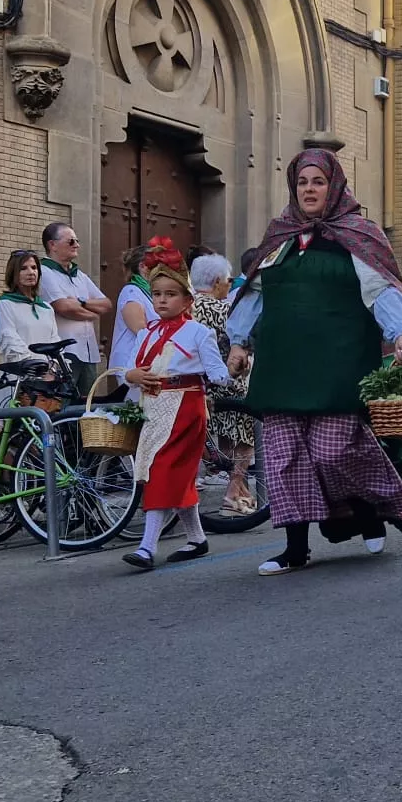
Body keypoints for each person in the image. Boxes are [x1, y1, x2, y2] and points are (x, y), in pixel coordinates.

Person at [226, 148, 402, 575]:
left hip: (338, 363)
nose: (309, 190)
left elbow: (382, 290)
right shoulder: (279, 236)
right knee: (284, 458)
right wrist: (238, 343)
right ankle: (296, 549)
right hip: (282, 364)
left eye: (318, 182)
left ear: (334, 186)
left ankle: (368, 509)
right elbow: (254, 293)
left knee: (332, 452)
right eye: (302, 183)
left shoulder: (358, 233)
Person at [121, 243, 233, 570]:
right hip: (153, 409)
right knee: (174, 475)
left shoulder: (198, 332)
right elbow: (126, 371)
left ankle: (147, 546)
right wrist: (133, 374)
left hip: (186, 409)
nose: (162, 300)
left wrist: (232, 371)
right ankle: (197, 538)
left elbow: (217, 374)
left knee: (160, 470)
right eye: (156, 294)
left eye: (170, 294)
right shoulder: (146, 334)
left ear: (187, 300)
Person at [187, 252, 258, 516]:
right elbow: (242, 343)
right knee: (245, 437)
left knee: (226, 437)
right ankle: (234, 488)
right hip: (229, 383)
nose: (229, 283)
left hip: (199, 384)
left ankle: (240, 492)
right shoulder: (225, 308)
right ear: (218, 281)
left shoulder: (186, 307)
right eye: (228, 279)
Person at [36, 222, 113, 394]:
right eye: (71, 241)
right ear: (52, 245)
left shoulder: (80, 275)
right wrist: (91, 312)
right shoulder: (44, 272)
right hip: (65, 353)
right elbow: (64, 307)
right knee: (62, 404)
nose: (77, 245)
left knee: (85, 408)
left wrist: (82, 302)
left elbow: (106, 304)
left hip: (89, 351)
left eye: (77, 241)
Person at [0, 250, 63, 408]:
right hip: (20, 376)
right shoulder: (6, 303)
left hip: (47, 380)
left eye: (34, 267)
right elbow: (10, 339)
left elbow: (54, 340)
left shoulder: (45, 307)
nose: (31, 272)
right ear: (13, 273)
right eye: (23, 268)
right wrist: (35, 370)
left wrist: (52, 369)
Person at [107, 244, 155, 402]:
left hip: (146, 362)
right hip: (131, 363)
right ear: (143, 267)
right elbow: (140, 328)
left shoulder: (150, 292)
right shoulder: (132, 292)